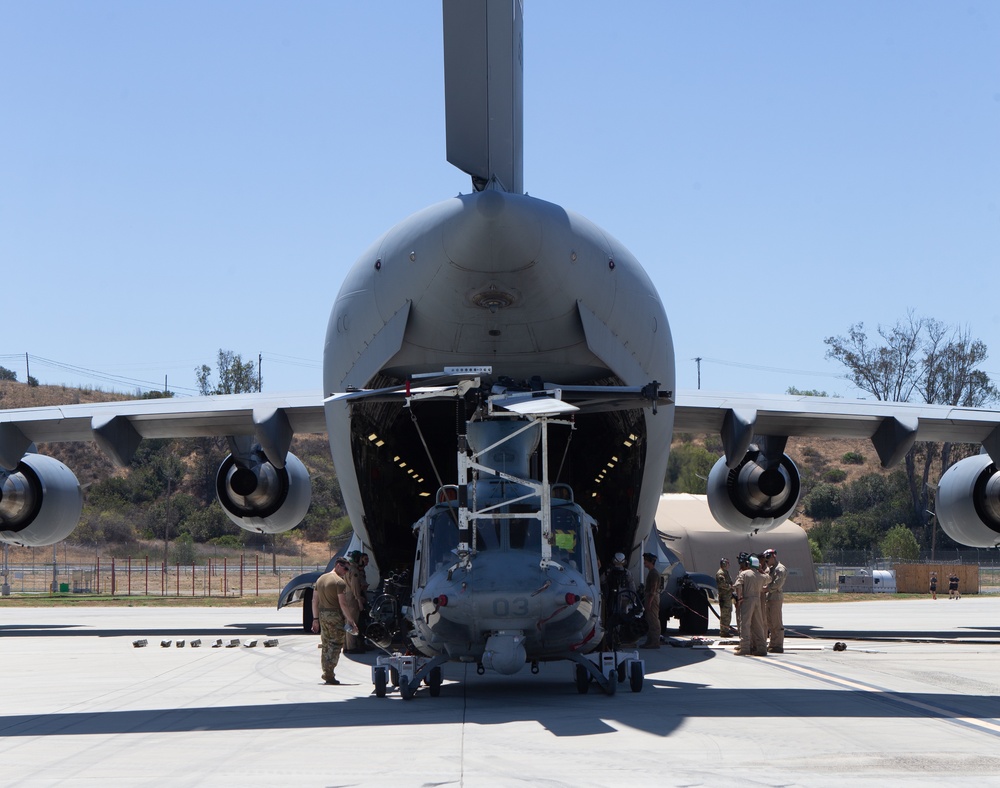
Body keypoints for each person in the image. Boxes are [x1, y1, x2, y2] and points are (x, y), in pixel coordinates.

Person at [311, 557, 358, 685]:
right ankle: (328, 674)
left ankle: (326, 671)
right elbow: (343, 604)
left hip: (322, 614)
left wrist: (315, 619)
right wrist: (351, 620)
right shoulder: (339, 582)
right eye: (345, 568)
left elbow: (315, 601)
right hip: (334, 615)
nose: (346, 572)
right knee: (336, 644)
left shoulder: (320, 579)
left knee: (326, 643)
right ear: (338, 565)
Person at [732, 552, 767, 656]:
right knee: (758, 625)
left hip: (747, 600)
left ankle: (745, 648)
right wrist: (761, 571)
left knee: (745, 624)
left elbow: (737, 585)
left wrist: (739, 599)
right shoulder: (761, 575)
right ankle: (762, 648)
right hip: (757, 600)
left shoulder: (744, 574)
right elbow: (768, 579)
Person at [762, 548, 787, 653]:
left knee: (776, 622)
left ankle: (778, 645)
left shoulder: (780, 569)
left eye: (768, 558)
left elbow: (777, 584)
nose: (766, 561)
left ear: (773, 557)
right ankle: (773, 643)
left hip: (775, 598)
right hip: (768, 598)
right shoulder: (770, 569)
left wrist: (766, 589)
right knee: (770, 622)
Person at [641, 552, 662, 649]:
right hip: (650, 597)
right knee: (649, 620)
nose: (644, 562)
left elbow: (653, 589)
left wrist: (649, 603)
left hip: (652, 598)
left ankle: (655, 642)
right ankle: (650, 641)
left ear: (651, 562)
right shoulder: (652, 572)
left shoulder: (654, 573)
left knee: (653, 620)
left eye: (646, 561)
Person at [716, 558, 735, 637]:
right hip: (724, 597)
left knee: (728, 614)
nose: (728, 565)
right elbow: (722, 584)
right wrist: (731, 587)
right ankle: (723, 631)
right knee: (724, 615)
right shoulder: (720, 573)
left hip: (728, 596)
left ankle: (726, 630)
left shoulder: (725, 572)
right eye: (727, 563)